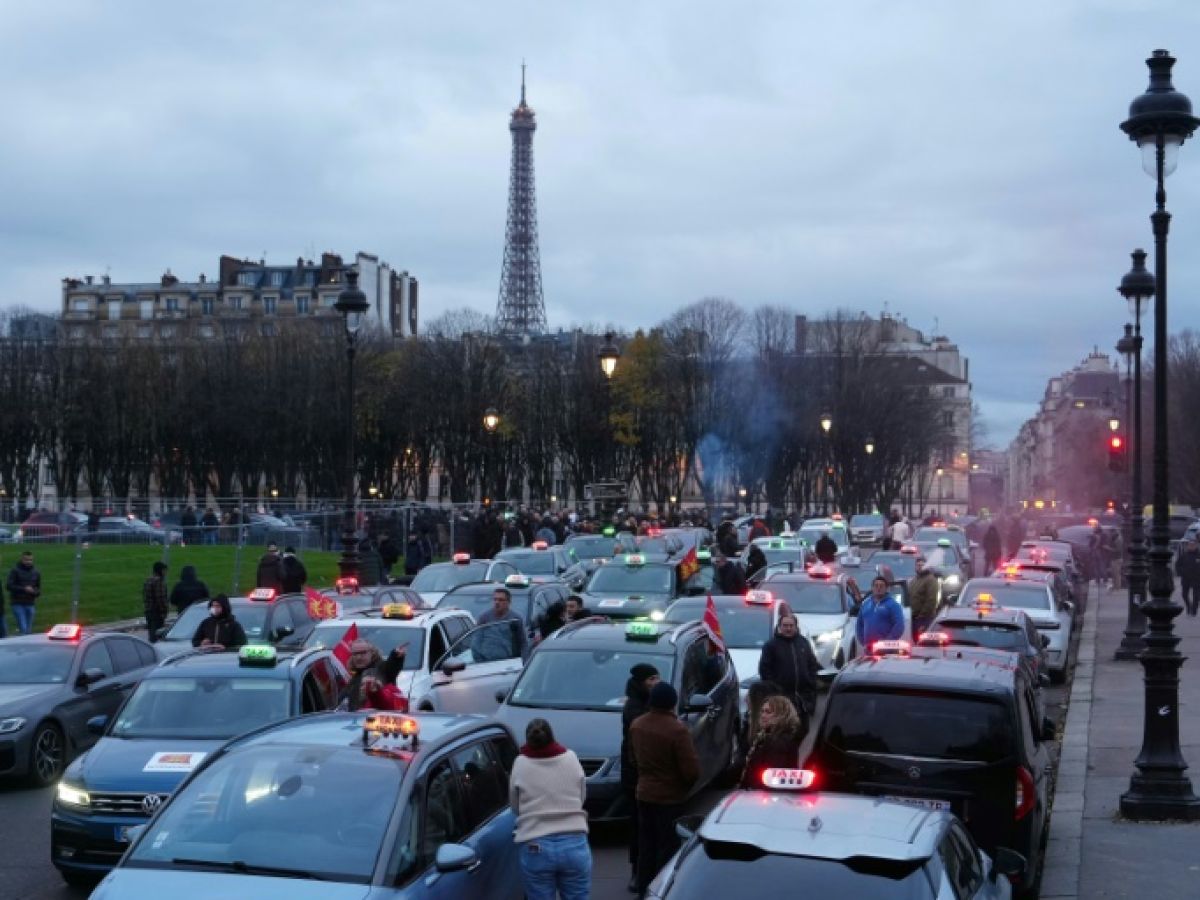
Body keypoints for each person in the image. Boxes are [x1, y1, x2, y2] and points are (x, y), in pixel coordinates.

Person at [508, 718, 591, 900]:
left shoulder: (520, 763)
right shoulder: (570, 757)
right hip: (574, 843)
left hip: (535, 845)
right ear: (552, 736)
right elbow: (581, 796)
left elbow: (515, 806)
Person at [630, 681, 699, 896]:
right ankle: (662, 891)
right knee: (667, 848)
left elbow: (633, 759)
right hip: (670, 797)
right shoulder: (677, 730)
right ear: (672, 703)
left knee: (646, 846)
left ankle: (643, 889)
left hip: (644, 793)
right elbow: (690, 770)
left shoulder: (637, 725)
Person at [621, 663, 660, 892]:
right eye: (651, 679)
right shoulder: (635, 709)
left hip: (647, 774)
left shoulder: (649, 703)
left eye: (657, 678)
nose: (656, 683)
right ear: (641, 682)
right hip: (637, 775)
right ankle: (638, 870)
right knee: (638, 825)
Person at [757, 612, 820, 723]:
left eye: (791, 626)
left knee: (803, 730)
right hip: (782, 698)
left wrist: (811, 682)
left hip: (803, 698)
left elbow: (812, 664)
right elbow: (765, 671)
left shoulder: (803, 643)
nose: (788, 628)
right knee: (784, 732)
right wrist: (775, 690)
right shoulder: (771, 646)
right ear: (779, 627)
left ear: (796, 627)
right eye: (785, 625)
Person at [740, 695, 805, 789]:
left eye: (768, 712)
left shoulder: (778, 742)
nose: (763, 715)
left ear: (782, 715)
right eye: (762, 711)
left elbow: (772, 777)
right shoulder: (768, 736)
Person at [340, 639, 407, 711]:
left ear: (372, 653)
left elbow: (392, 667)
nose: (359, 657)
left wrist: (396, 656)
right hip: (357, 719)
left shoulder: (382, 669)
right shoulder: (352, 678)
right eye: (355, 654)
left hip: (380, 718)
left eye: (363, 653)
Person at [850, 574, 905, 652]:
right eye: (876, 586)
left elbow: (899, 626)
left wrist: (887, 642)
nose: (878, 588)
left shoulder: (893, 605)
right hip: (868, 649)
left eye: (881, 586)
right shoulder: (866, 604)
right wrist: (863, 641)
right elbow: (859, 624)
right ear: (872, 588)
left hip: (886, 650)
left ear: (886, 589)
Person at [474, 587, 530, 661]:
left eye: (501, 600)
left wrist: (523, 661)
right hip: (486, 662)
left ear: (508, 602)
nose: (497, 602)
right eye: (495, 599)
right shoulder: (484, 618)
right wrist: (479, 660)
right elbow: (476, 642)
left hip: (507, 663)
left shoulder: (515, 619)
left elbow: (523, 643)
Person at [6, 550, 42, 635]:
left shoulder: (36, 572)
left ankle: (24, 643)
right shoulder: (15, 571)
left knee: (28, 630)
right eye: (26, 560)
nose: (28, 562)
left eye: (30, 560)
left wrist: (34, 592)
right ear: (21, 559)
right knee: (23, 628)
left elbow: (38, 588)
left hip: (30, 603)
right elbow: (9, 586)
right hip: (17, 603)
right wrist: (24, 589)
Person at [907, 558, 941, 640]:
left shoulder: (931, 580)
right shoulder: (914, 580)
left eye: (922, 565)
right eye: (918, 565)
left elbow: (931, 600)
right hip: (913, 617)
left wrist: (922, 615)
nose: (920, 567)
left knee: (922, 641)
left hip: (924, 619)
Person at [142, 561, 169, 644]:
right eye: (164, 570)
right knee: (158, 635)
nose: (165, 573)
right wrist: (164, 610)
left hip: (148, 611)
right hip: (156, 612)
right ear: (160, 571)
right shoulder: (159, 581)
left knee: (151, 635)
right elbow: (160, 598)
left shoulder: (148, 580)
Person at [1176, 538, 1200, 617]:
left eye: (1193, 545)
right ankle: (1188, 605)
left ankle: (1194, 610)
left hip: (1197, 578)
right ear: (1188, 546)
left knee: (1196, 596)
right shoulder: (1184, 555)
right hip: (1186, 578)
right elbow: (1177, 565)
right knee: (1184, 594)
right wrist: (1181, 572)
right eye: (1190, 545)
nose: (1191, 546)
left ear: (1196, 546)